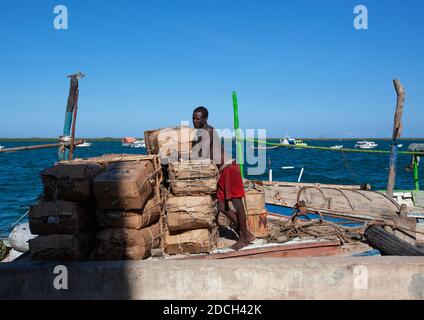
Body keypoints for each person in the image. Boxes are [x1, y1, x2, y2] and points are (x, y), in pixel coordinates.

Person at [192, 106, 255, 250]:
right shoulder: (202, 132)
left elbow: (203, 155)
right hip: (222, 171)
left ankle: (244, 238)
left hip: (229, 169)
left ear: (205, 119)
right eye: (193, 118)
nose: (194, 121)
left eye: (197, 118)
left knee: (237, 205)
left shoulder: (208, 130)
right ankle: (247, 233)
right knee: (222, 206)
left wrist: (181, 154)